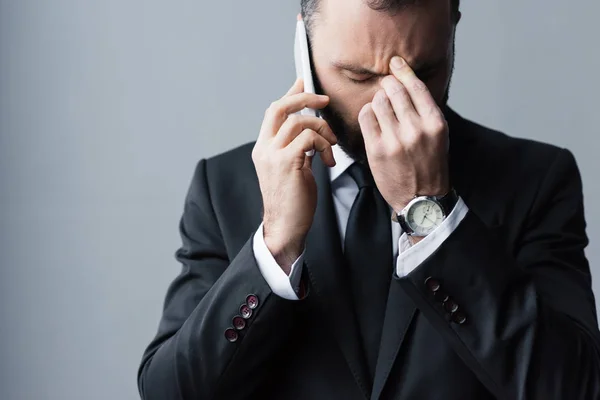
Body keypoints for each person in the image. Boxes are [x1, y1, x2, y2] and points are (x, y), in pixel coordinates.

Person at [137, 0, 600, 399]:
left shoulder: (536, 181)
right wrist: (275, 248)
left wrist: (432, 216)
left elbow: (576, 388)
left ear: (453, 28)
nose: (386, 106)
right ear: (304, 45)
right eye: (358, 75)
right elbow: (169, 391)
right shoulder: (223, 187)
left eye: (422, 73)